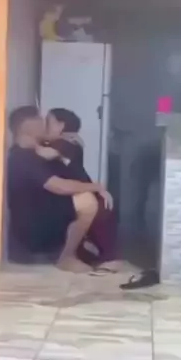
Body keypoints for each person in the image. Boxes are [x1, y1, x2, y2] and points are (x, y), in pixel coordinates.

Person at [7, 106, 112, 273]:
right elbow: (58, 186)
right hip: (34, 222)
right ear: (28, 126)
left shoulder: (34, 150)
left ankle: (89, 251)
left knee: (91, 200)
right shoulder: (22, 157)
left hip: (43, 206)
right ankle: (65, 257)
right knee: (87, 201)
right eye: (40, 120)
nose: (44, 124)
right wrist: (96, 186)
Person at [42, 108, 119, 269]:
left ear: (61, 125)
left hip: (82, 192)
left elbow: (46, 154)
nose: (44, 126)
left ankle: (97, 258)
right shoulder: (70, 142)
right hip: (85, 189)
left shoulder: (64, 143)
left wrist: (29, 140)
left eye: (48, 122)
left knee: (96, 221)